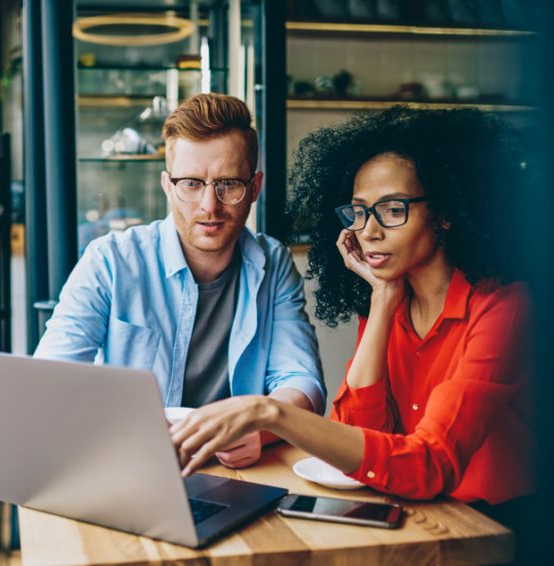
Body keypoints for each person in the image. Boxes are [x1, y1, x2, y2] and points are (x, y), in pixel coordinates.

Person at [170, 107, 533, 522]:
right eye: (359, 211)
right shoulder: (389, 302)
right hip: (416, 513)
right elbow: (360, 438)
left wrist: (269, 412)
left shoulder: (504, 309)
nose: (369, 231)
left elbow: (431, 464)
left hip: (496, 526)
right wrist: (381, 302)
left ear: (446, 213)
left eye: (393, 209)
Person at [35, 93, 326, 469]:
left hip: (238, 474)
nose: (209, 205)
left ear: (254, 188)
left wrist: (261, 429)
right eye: (191, 183)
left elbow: (303, 382)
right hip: (129, 463)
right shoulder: (110, 260)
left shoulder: (274, 263)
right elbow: (50, 380)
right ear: (167, 186)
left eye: (229, 184)